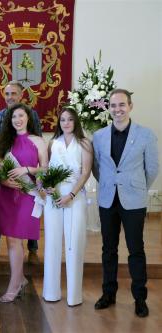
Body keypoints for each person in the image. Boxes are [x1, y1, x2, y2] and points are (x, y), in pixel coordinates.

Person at [92, 89, 158, 318]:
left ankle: (140, 297)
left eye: (122, 105)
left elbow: (151, 169)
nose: (117, 109)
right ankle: (108, 293)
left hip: (134, 200)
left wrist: (135, 187)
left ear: (130, 106)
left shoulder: (146, 135)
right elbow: (97, 168)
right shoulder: (99, 136)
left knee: (135, 249)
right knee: (108, 249)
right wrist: (112, 184)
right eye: (113, 106)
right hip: (108, 198)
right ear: (108, 108)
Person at [0, 103, 48, 302]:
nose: (17, 119)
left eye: (20, 116)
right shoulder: (4, 141)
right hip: (8, 195)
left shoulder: (38, 141)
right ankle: (20, 279)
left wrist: (27, 170)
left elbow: (45, 169)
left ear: (28, 118)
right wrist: (4, 181)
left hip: (28, 195)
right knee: (11, 240)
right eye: (13, 116)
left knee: (17, 238)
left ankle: (14, 284)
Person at [0, 81, 42, 263]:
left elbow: (37, 140)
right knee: (0, 208)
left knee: (32, 208)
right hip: (4, 169)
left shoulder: (32, 115)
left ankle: (32, 249)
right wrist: (4, 166)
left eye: (14, 93)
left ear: (21, 95)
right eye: (7, 93)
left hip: (27, 169)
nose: (10, 97)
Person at [42, 108, 93, 306]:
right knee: (53, 243)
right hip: (54, 197)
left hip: (74, 195)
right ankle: (51, 292)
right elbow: (47, 169)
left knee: (74, 244)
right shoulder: (53, 143)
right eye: (62, 120)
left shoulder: (84, 143)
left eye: (70, 119)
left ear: (76, 121)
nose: (66, 123)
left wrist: (71, 195)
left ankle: (74, 296)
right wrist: (47, 187)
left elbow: (86, 172)